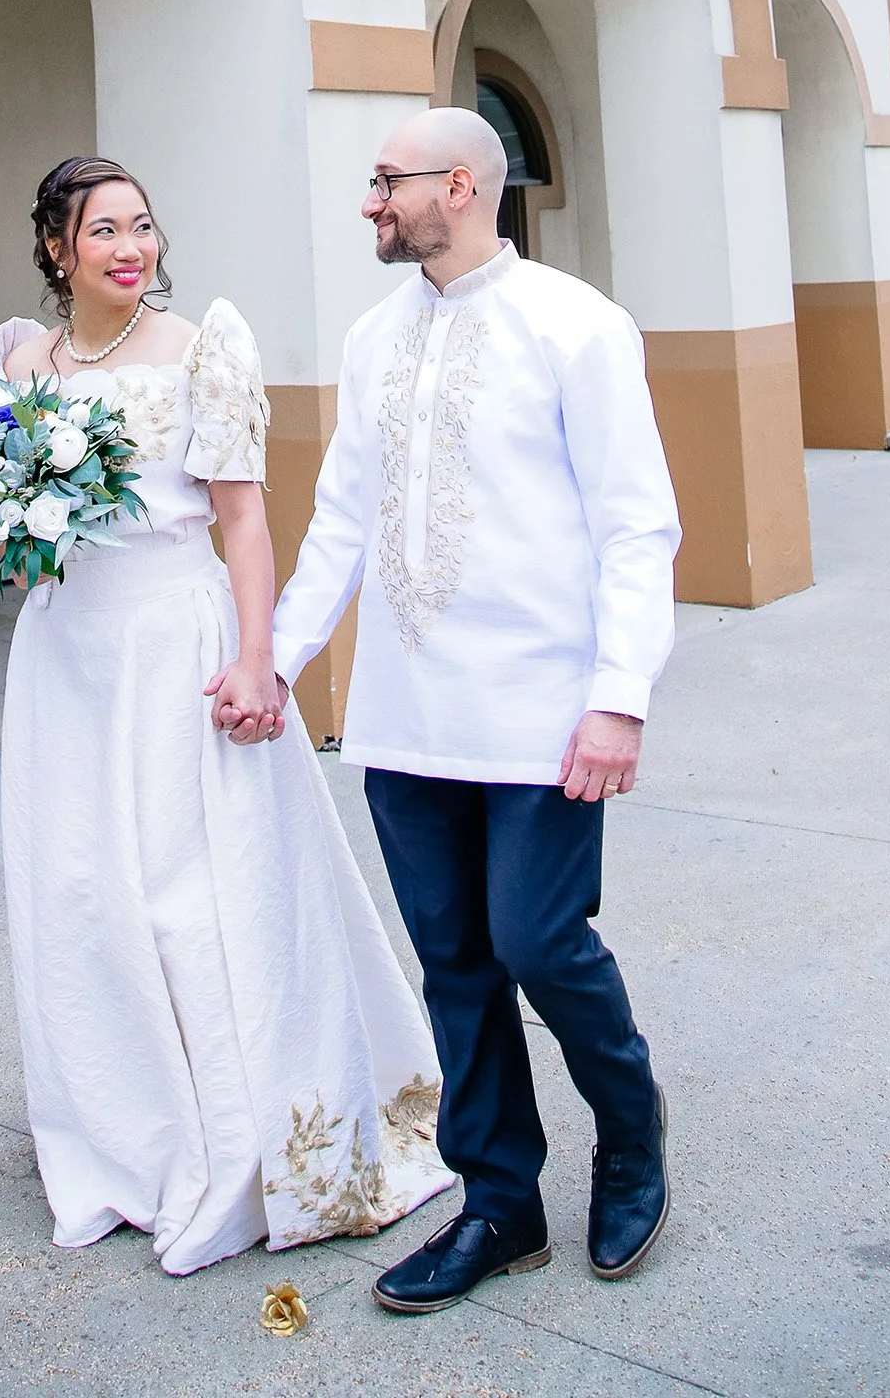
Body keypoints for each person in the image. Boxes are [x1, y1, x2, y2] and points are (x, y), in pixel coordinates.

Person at [0, 152, 451, 1277]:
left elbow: (243, 522)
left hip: (177, 644)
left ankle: (235, 1139)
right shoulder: (13, 361)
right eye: (102, 231)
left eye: (141, 226)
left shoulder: (202, 352)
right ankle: (125, 1130)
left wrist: (257, 661)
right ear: (56, 249)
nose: (129, 247)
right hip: (65, 652)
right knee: (84, 884)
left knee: (192, 892)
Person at [269, 107, 681, 1315]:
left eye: (383, 183)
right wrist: (278, 658)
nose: (369, 204)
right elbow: (340, 516)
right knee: (453, 964)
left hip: (543, 712)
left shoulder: (577, 326)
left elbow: (634, 525)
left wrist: (617, 700)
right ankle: (498, 1203)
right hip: (405, 721)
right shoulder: (367, 339)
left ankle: (630, 1125)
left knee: (539, 942)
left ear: (458, 185)